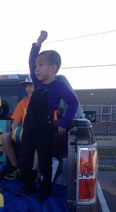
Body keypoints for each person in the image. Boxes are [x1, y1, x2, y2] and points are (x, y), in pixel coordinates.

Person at [19, 30, 79, 201]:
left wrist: (63, 123)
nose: (36, 69)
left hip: (45, 127)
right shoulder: (37, 83)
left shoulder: (58, 86)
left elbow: (73, 103)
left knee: (44, 160)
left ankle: (44, 191)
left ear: (53, 68)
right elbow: (31, 61)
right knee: (25, 156)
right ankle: (28, 186)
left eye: (41, 65)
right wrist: (38, 44)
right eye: (36, 66)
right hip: (29, 125)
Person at [3, 76, 39, 180]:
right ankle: (16, 168)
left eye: (31, 86)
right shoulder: (22, 103)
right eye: (26, 86)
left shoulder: (44, 100)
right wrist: (15, 132)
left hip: (39, 134)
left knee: (40, 139)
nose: (28, 89)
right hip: (25, 133)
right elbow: (15, 123)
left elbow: (51, 122)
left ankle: (34, 172)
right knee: (5, 137)